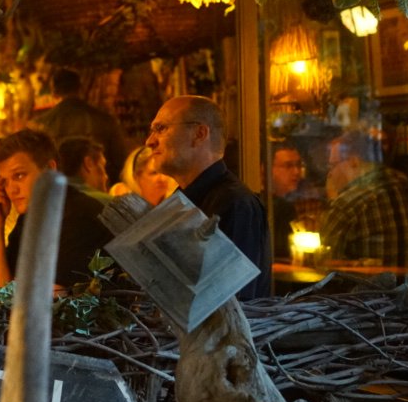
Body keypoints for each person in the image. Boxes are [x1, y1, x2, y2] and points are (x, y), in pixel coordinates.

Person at [145, 95, 270, 299]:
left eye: (161, 128)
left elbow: (234, 302)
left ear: (199, 134)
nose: (150, 141)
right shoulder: (181, 201)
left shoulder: (236, 204)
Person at [0, 128, 112, 289]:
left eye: (19, 176)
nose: (11, 190)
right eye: (5, 181)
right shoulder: (30, 217)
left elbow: (51, 295)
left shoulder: (80, 218)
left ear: (49, 169)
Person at [320, 130, 408, 271]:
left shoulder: (347, 204)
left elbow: (322, 264)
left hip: (365, 285)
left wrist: (333, 198)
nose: (330, 174)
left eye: (333, 165)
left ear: (354, 161)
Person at [32, 68, 130, 179]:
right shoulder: (104, 119)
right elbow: (120, 162)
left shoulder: (40, 125)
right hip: (97, 184)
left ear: (53, 92)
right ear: (79, 89)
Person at [269, 143, 309, 258]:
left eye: (299, 165)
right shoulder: (276, 207)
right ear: (266, 169)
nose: (296, 172)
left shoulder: (298, 201)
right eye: (288, 166)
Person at [111, 145, 177, 206]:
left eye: (164, 172)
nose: (163, 179)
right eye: (154, 173)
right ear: (136, 177)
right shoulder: (123, 204)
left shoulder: (175, 204)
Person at [57, 136, 112, 204]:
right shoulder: (107, 203)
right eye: (103, 166)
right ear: (89, 163)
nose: (106, 177)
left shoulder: (49, 200)